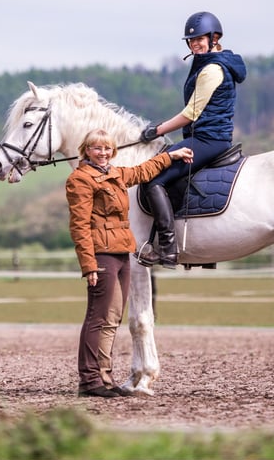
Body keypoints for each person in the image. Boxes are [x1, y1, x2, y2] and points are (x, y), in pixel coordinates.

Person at [65, 128, 193, 398]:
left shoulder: (114, 173)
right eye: (97, 148)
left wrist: (173, 155)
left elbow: (144, 171)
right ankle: (89, 381)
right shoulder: (80, 179)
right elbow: (79, 226)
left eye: (107, 149)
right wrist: (88, 265)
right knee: (97, 317)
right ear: (86, 150)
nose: (102, 153)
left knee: (112, 318)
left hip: (123, 251)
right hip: (101, 254)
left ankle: (105, 378)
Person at [136, 11, 247, 269]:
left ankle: (167, 248)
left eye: (199, 39)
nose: (194, 44)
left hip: (209, 139)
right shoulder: (212, 63)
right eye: (191, 40)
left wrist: (158, 130)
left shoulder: (212, 69)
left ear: (213, 38)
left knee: (152, 178)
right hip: (210, 136)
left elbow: (191, 113)